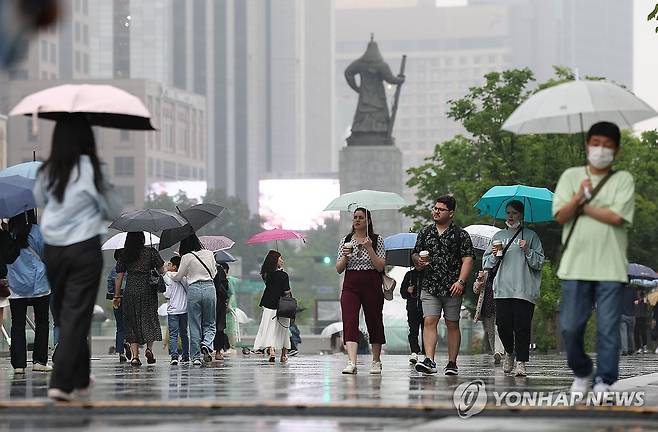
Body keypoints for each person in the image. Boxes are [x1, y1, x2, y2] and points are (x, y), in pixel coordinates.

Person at [34, 115, 122, 401]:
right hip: (84, 248)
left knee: (65, 312)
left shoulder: (48, 170)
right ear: (88, 139)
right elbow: (113, 208)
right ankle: (60, 381)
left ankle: (81, 376)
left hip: (53, 249)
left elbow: (41, 200)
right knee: (75, 312)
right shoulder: (93, 169)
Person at [553, 121, 635, 396]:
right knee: (570, 328)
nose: (600, 149)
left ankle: (604, 381)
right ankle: (582, 370)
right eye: (596, 143)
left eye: (607, 144)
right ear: (588, 145)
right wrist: (577, 196)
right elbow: (560, 216)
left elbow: (616, 217)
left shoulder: (622, 180)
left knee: (608, 329)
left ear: (616, 149)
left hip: (611, 267)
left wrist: (583, 206)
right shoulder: (571, 176)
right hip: (575, 266)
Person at [412, 195, 474, 376]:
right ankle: (429, 360)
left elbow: (468, 259)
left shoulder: (460, 234)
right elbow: (415, 254)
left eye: (441, 209)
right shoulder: (425, 232)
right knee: (429, 320)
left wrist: (461, 281)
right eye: (435, 208)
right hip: (429, 285)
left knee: (452, 323)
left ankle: (452, 363)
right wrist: (418, 261)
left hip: (452, 287)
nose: (436, 211)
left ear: (451, 213)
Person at [482, 200, 544, 377]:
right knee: (503, 326)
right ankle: (509, 352)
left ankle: (521, 362)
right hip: (502, 289)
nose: (510, 216)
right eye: (508, 212)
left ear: (521, 215)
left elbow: (539, 263)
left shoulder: (531, 236)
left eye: (514, 213)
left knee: (522, 327)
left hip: (524, 289)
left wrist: (528, 250)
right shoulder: (498, 236)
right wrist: (493, 256)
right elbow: (487, 263)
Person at [335, 207, 386, 375]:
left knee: (374, 320)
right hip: (351, 283)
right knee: (349, 320)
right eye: (355, 217)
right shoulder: (346, 240)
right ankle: (351, 361)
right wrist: (345, 256)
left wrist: (370, 248)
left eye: (361, 217)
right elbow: (338, 268)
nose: (357, 220)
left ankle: (376, 360)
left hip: (371, 282)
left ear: (368, 221)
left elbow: (380, 266)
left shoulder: (377, 240)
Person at [6, 213, 52, 374]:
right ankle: (39, 361)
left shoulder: (9, 233)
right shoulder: (36, 231)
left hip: (16, 286)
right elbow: (47, 255)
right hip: (39, 284)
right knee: (42, 322)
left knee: (17, 325)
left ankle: (19, 365)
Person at [113, 232, 164, 366]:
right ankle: (149, 349)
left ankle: (135, 356)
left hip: (131, 289)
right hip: (147, 289)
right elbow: (162, 269)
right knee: (149, 318)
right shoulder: (151, 252)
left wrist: (116, 296)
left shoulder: (124, 254)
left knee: (131, 321)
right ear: (142, 239)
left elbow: (119, 276)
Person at [167, 234, 217, 365]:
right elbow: (214, 272)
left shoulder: (186, 257)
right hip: (209, 288)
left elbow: (178, 276)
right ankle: (206, 344)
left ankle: (195, 358)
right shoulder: (209, 253)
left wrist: (169, 274)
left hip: (193, 289)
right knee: (210, 323)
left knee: (194, 325)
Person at [253, 250, 292, 363]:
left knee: (269, 327)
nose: (282, 260)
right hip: (282, 305)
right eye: (281, 258)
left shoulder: (266, 274)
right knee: (284, 328)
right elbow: (286, 291)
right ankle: (284, 355)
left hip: (268, 304)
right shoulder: (284, 275)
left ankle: (272, 350)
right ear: (275, 260)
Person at [472, 270, 504, 365]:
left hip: (500, 306)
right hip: (487, 307)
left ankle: (499, 352)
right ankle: (496, 353)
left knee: (498, 329)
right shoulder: (483, 274)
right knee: (491, 332)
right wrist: (479, 280)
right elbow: (475, 290)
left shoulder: (503, 272)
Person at [163, 256, 189, 365]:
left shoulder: (167, 277)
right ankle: (186, 355)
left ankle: (174, 356)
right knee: (184, 333)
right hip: (184, 309)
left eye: (169, 264)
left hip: (173, 310)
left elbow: (167, 294)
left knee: (173, 334)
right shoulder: (184, 278)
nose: (168, 266)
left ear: (174, 267)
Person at [107, 249, 130, 363]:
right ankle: (128, 341)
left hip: (117, 299)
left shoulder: (113, 271)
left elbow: (110, 289)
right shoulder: (131, 269)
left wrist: (114, 296)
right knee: (131, 325)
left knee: (120, 327)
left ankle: (121, 352)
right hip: (130, 299)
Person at [400, 267, 424, 364]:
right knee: (413, 330)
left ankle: (427, 352)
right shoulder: (409, 275)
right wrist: (407, 290)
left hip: (426, 307)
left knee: (426, 329)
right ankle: (414, 351)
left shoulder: (428, 274)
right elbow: (403, 293)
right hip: (412, 307)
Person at [213, 262, 230, 360]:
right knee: (220, 326)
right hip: (220, 302)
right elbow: (225, 286)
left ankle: (207, 348)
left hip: (210, 300)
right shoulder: (219, 269)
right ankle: (218, 352)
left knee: (207, 325)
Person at [620, 285, 637, 356]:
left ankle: (625, 350)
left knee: (623, 332)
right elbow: (636, 302)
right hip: (631, 315)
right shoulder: (633, 290)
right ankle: (632, 349)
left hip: (622, 315)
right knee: (631, 333)